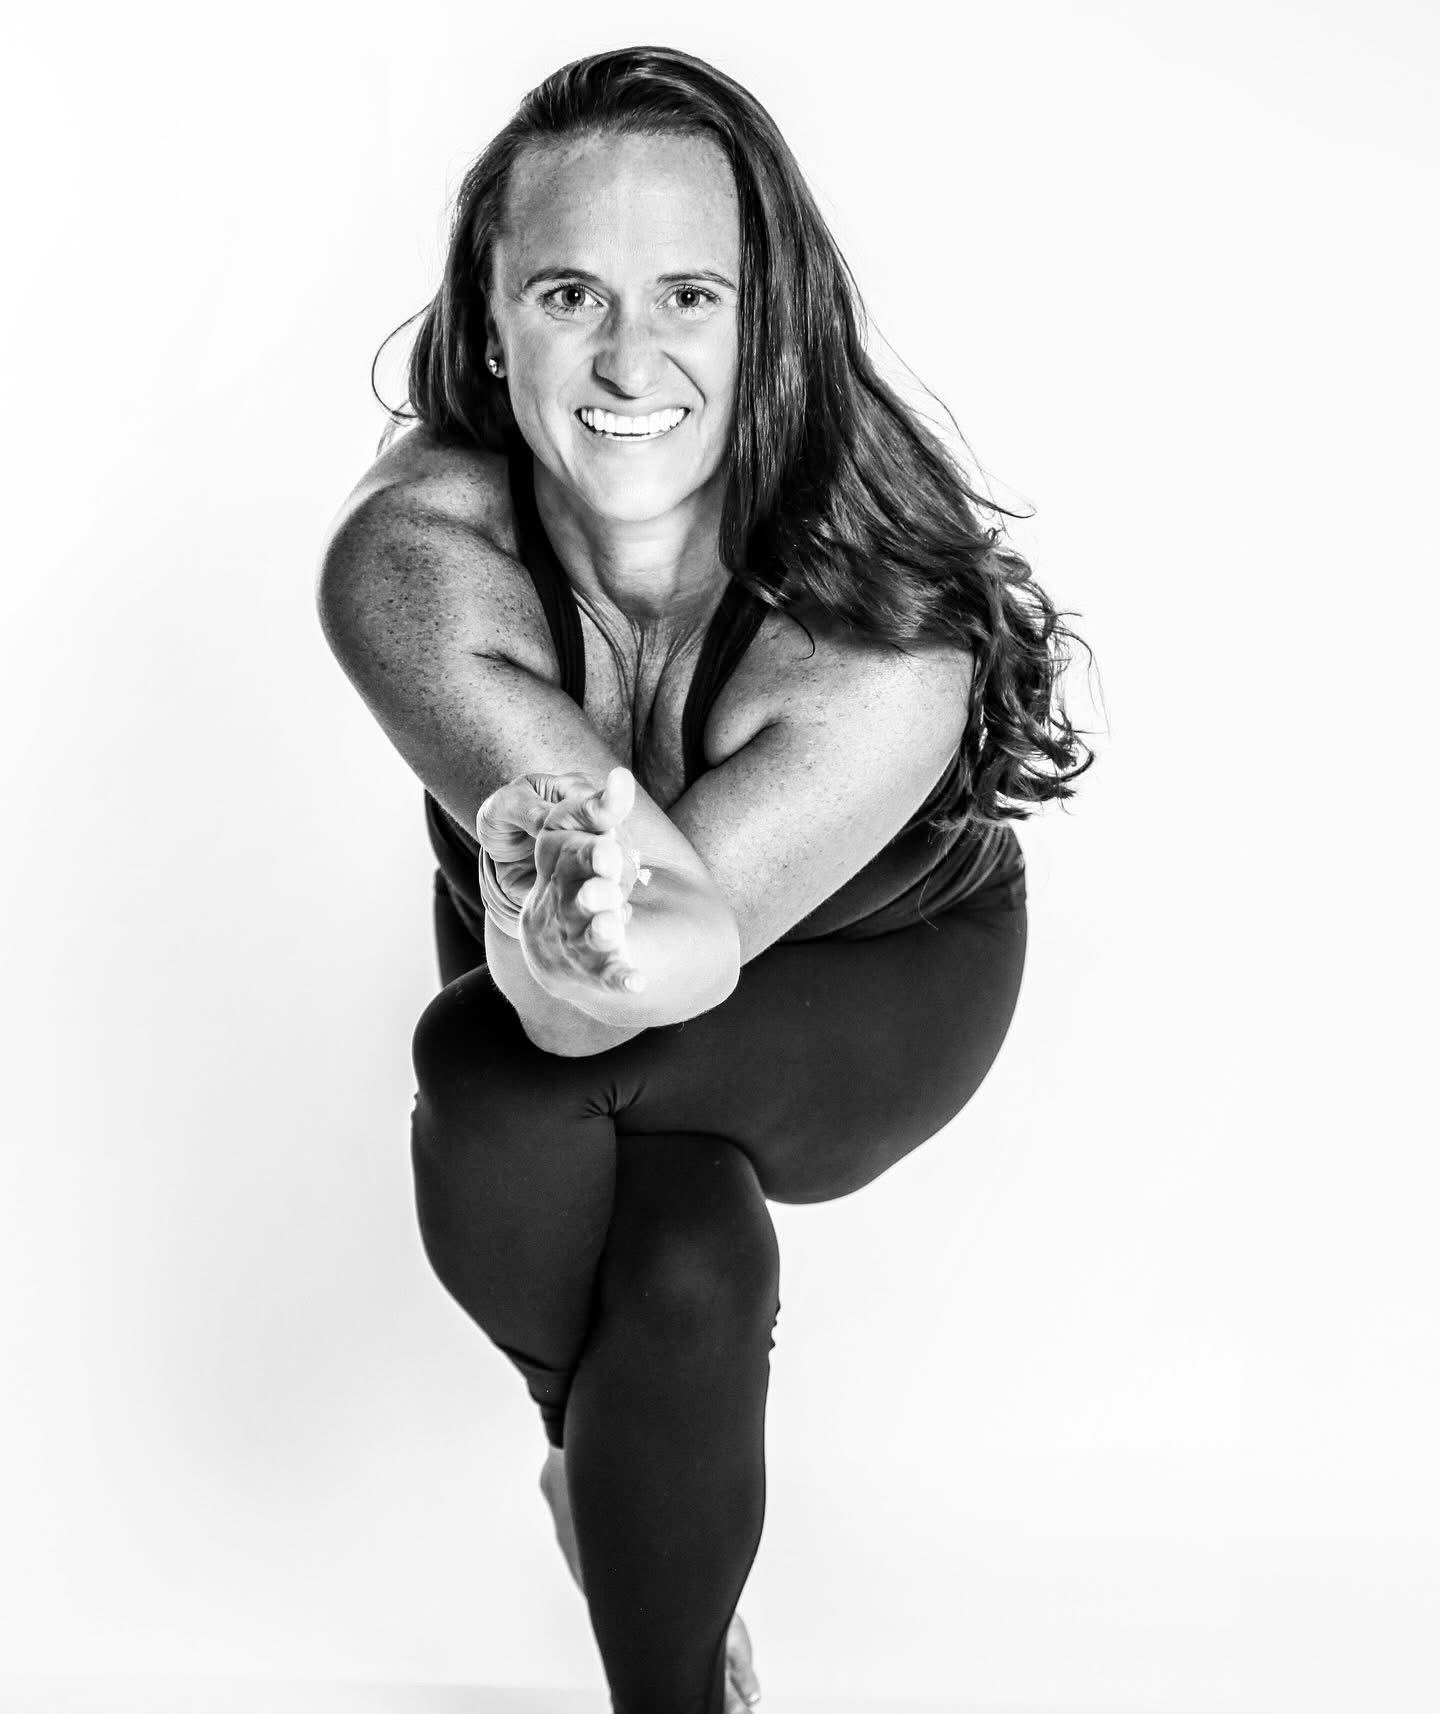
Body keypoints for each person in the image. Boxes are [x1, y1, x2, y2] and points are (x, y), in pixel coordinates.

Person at [317, 44, 1092, 1714]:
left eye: (689, 294)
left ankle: (585, 1461)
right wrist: (558, 949)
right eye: (569, 293)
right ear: (489, 317)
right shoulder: (411, 558)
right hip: (583, 956)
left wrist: (557, 964)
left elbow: (664, 962)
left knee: (491, 1070)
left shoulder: (883, 628)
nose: (628, 355)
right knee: (679, 1260)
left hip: (881, 973)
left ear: (770, 320)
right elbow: (586, 936)